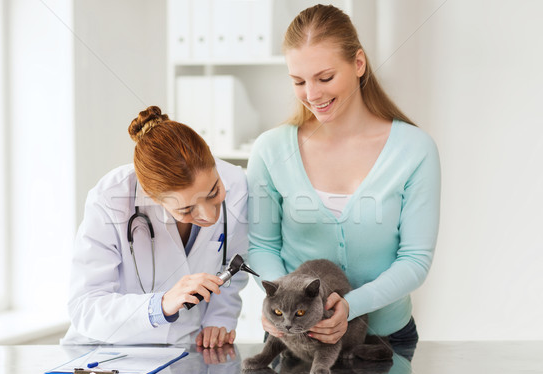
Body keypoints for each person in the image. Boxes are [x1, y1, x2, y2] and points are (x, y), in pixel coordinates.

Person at [247, 5, 440, 354]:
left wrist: (352, 306)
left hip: (386, 339)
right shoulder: (270, 149)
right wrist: (279, 300)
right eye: (298, 81)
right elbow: (262, 246)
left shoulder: (415, 149)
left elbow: (415, 259)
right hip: (294, 341)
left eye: (325, 78)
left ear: (359, 63)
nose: (312, 94)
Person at [62, 106, 248, 348]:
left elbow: (233, 264)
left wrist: (219, 318)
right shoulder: (110, 198)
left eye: (214, 192)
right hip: (108, 353)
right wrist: (160, 305)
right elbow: (85, 307)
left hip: (187, 349)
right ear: (151, 196)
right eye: (186, 210)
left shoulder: (236, 183)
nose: (209, 215)